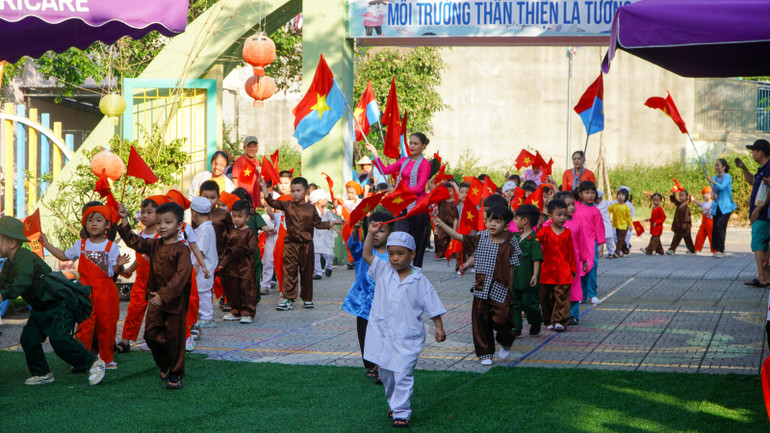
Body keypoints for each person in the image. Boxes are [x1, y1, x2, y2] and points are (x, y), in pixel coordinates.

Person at [0, 216, 106, 386]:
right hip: (41, 307)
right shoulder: (9, 265)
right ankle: (43, 373)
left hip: (58, 304)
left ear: (12, 242)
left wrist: (3, 294)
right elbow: (2, 282)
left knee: (60, 341)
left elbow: (23, 280)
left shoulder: (24, 256)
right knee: (29, 339)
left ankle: (94, 363)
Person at [362, 228, 446, 428]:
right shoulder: (383, 270)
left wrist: (439, 326)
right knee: (387, 374)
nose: (394, 258)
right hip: (383, 334)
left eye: (400, 253)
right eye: (391, 253)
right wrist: (370, 234)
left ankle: (401, 412)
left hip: (408, 336)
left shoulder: (420, 280)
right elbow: (367, 255)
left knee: (403, 373)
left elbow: (432, 305)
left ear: (412, 254)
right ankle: (394, 402)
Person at [432, 205, 521, 365]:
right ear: (485, 221)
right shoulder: (479, 238)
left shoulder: (510, 243)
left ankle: (506, 341)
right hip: (481, 288)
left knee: (503, 320)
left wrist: (510, 290)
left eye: (498, 221)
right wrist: (442, 225)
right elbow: (458, 236)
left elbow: (512, 269)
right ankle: (485, 353)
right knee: (481, 321)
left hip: (501, 289)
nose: (493, 224)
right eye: (490, 220)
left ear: (506, 225)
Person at [117, 202, 192, 390]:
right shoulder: (154, 245)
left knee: (175, 339)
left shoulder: (183, 250)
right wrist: (124, 219)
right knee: (151, 335)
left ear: (179, 225)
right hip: (154, 300)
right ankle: (164, 363)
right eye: (159, 223)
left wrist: (163, 295)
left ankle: (176, 374)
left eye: (168, 222)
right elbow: (134, 241)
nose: (162, 226)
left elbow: (181, 277)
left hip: (175, 303)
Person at [41, 206, 126, 370]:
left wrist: (120, 266)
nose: (94, 224)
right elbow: (64, 256)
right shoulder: (81, 244)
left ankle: (107, 359)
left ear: (107, 225)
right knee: (84, 325)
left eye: (99, 220)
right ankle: (81, 359)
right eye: (90, 220)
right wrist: (46, 244)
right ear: (85, 224)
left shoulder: (111, 246)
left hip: (106, 291)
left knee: (107, 324)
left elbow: (116, 270)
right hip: (85, 291)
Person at [261, 177, 344, 310]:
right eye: (292, 191)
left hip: (307, 246)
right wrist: (264, 188)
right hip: (290, 245)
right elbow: (271, 202)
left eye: (298, 190)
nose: (295, 193)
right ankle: (287, 299)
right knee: (289, 272)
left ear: (306, 192)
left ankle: (307, 299)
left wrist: (333, 222)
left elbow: (319, 224)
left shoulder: (311, 208)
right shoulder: (287, 205)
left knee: (307, 273)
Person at [367, 133, 433, 268]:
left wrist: (398, 192)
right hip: (403, 206)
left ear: (423, 146)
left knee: (417, 243)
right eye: (410, 143)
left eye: (415, 144)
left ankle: (416, 271)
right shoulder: (404, 161)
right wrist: (375, 154)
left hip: (418, 208)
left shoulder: (425, 164)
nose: (412, 146)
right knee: (399, 238)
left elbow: (420, 188)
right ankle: (400, 268)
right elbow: (385, 170)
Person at [342, 211, 393, 381]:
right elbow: (352, 244)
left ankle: (382, 364)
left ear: (390, 233)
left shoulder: (392, 255)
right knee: (364, 334)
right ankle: (371, 364)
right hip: (363, 302)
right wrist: (356, 229)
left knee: (383, 334)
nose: (377, 234)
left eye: (381, 231)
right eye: (374, 230)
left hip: (384, 303)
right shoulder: (363, 250)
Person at [115, 195, 167, 353]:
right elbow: (140, 257)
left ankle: (158, 339)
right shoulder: (140, 234)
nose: (144, 215)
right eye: (143, 212)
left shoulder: (162, 236)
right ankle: (125, 340)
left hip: (158, 284)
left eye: (150, 212)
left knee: (157, 314)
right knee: (133, 311)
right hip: (140, 281)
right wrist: (131, 269)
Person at [538, 199, 576, 332]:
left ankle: (560, 320)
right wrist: (538, 226)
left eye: (564, 215)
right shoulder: (545, 231)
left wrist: (573, 268)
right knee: (546, 297)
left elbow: (571, 251)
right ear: (550, 216)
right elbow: (537, 239)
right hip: (547, 271)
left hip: (563, 272)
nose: (562, 218)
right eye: (558, 215)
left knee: (562, 298)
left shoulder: (567, 233)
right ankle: (549, 319)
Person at [217, 200, 258, 324]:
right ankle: (236, 310)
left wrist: (236, 249)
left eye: (240, 217)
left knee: (247, 290)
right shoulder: (232, 232)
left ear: (247, 217)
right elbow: (227, 249)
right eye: (234, 216)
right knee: (233, 289)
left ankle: (248, 312)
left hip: (246, 267)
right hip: (233, 267)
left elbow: (251, 248)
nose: (236, 219)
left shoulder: (250, 232)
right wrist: (222, 263)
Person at [736, 139, 770, 286]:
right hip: (763, 213)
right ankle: (765, 277)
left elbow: (768, 192)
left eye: (754, 151)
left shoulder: (768, 169)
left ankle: (761, 277)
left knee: (757, 243)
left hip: (763, 214)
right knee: (764, 244)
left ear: (760, 153)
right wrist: (744, 168)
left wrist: (757, 209)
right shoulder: (763, 169)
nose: (752, 154)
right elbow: (752, 181)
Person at [511, 204, 543, 336]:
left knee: (528, 303)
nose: (515, 221)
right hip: (514, 277)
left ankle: (536, 321)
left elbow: (536, 258)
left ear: (525, 220)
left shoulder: (533, 238)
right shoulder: (516, 237)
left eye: (517, 218)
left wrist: (535, 275)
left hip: (527, 277)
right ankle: (516, 328)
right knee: (515, 303)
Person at [231, 187, 268, 302]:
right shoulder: (252, 214)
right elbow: (266, 228)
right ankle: (252, 298)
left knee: (240, 275)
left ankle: (243, 299)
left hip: (241, 251)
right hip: (249, 250)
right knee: (252, 274)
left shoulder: (235, 216)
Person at [573, 181, 605, 306]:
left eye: (592, 193)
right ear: (580, 194)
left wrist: (601, 245)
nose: (590, 195)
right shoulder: (575, 206)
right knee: (580, 269)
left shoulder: (596, 211)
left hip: (591, 244)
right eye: (587, 193)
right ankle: (581, 295)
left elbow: (600, 229)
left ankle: (592, 294)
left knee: (592, 268)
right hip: (578, 244)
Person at [189, 197, 218, 329]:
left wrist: (196, 265)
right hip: (205, 267)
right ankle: (203, 315)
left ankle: (207, 317)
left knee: (203, 292)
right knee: (201, 291)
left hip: (203, 267)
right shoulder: (206, 227)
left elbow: (201, 250)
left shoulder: (205, 229)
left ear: (194, 213)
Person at [706, 158, 736, 258]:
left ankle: (721, 250)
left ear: (724, 167)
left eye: (718, 165)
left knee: (720, 226)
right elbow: (713, 190)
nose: (716, 167)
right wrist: (713, 194)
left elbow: (722, 187)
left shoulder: (727, 177)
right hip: (716, 206)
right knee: (715, 227)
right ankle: (716, 249)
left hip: (725, 207)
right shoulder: (714, 177)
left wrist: (712, 182)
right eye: (716, 165)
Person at [311, 189, 339, 279]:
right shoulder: (312, 211)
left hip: (326, 235)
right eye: (325, 199)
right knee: (316, 255)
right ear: (319, 201)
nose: (327, 200)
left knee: (329, 254)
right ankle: (318, 272)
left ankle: (329, 266)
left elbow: (332, 221)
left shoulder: (327, 211)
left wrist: (336, 230)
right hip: (316, 235)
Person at [231, 136, 261, 206]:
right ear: (244, 147)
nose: (252, 149)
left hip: (255, 199)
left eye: (254, 146)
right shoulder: (240, 161)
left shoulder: (257, 162)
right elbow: (235, 180)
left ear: (257, 147)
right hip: (243, 200)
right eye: (249, 146)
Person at [433, 184, 458, 260]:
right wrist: (438, 184)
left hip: (450, 224)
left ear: (453, 192)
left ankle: (451, 254)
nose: (448, 193)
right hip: (441, 224)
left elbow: (456, 217)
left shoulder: (454, 204)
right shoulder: (441, 202)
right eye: (446, 191)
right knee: (440, 238)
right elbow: (434, 193)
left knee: (451, 240)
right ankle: (440, 254)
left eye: (450, 191)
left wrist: (454, 228)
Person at [667, 189, 695, 255]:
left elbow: (687, 217)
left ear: (687, 197)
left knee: (687, 239)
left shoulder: (686, 208)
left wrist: (685, 223)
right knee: (676, 238)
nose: (680, 197)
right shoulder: (679, 204)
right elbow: (674, 200)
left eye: (682, 196)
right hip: (679, 226)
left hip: (684, 226)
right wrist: (673, 195)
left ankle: (692, 250)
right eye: (680, 196)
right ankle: (672, 249)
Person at [607, 190, 632, 258]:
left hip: (624, 226)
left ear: (626, 197)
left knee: (620, 239)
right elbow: (609, 210)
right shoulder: (614, 205)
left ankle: (617, 252)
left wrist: (630, 225)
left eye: (622, 195)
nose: (620, 196)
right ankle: (626, 251)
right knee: (620, 239)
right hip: (616, 225)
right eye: (619, 195)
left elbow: (629, 217)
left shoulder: (626, 207)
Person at [693, 186, 715, 254]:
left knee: (711, 237)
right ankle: (696, 249)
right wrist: (693, 200)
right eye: (705, 193)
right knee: (699, 236)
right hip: (703, 223)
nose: (706, 195)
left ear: (711, 195)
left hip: (711, 222)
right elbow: (699, 204)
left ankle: (715, 250)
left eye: (708, 193)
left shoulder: (713, 203)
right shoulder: (704, 203)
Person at [595, 190, 614, 257]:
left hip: (605, 223)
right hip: (598, 225)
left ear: (600, 198)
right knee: (598, 239)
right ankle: (599, 252)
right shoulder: (595, 204)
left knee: (608, 239)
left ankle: (611, 252)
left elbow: (597, 211)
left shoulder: (603, 205)